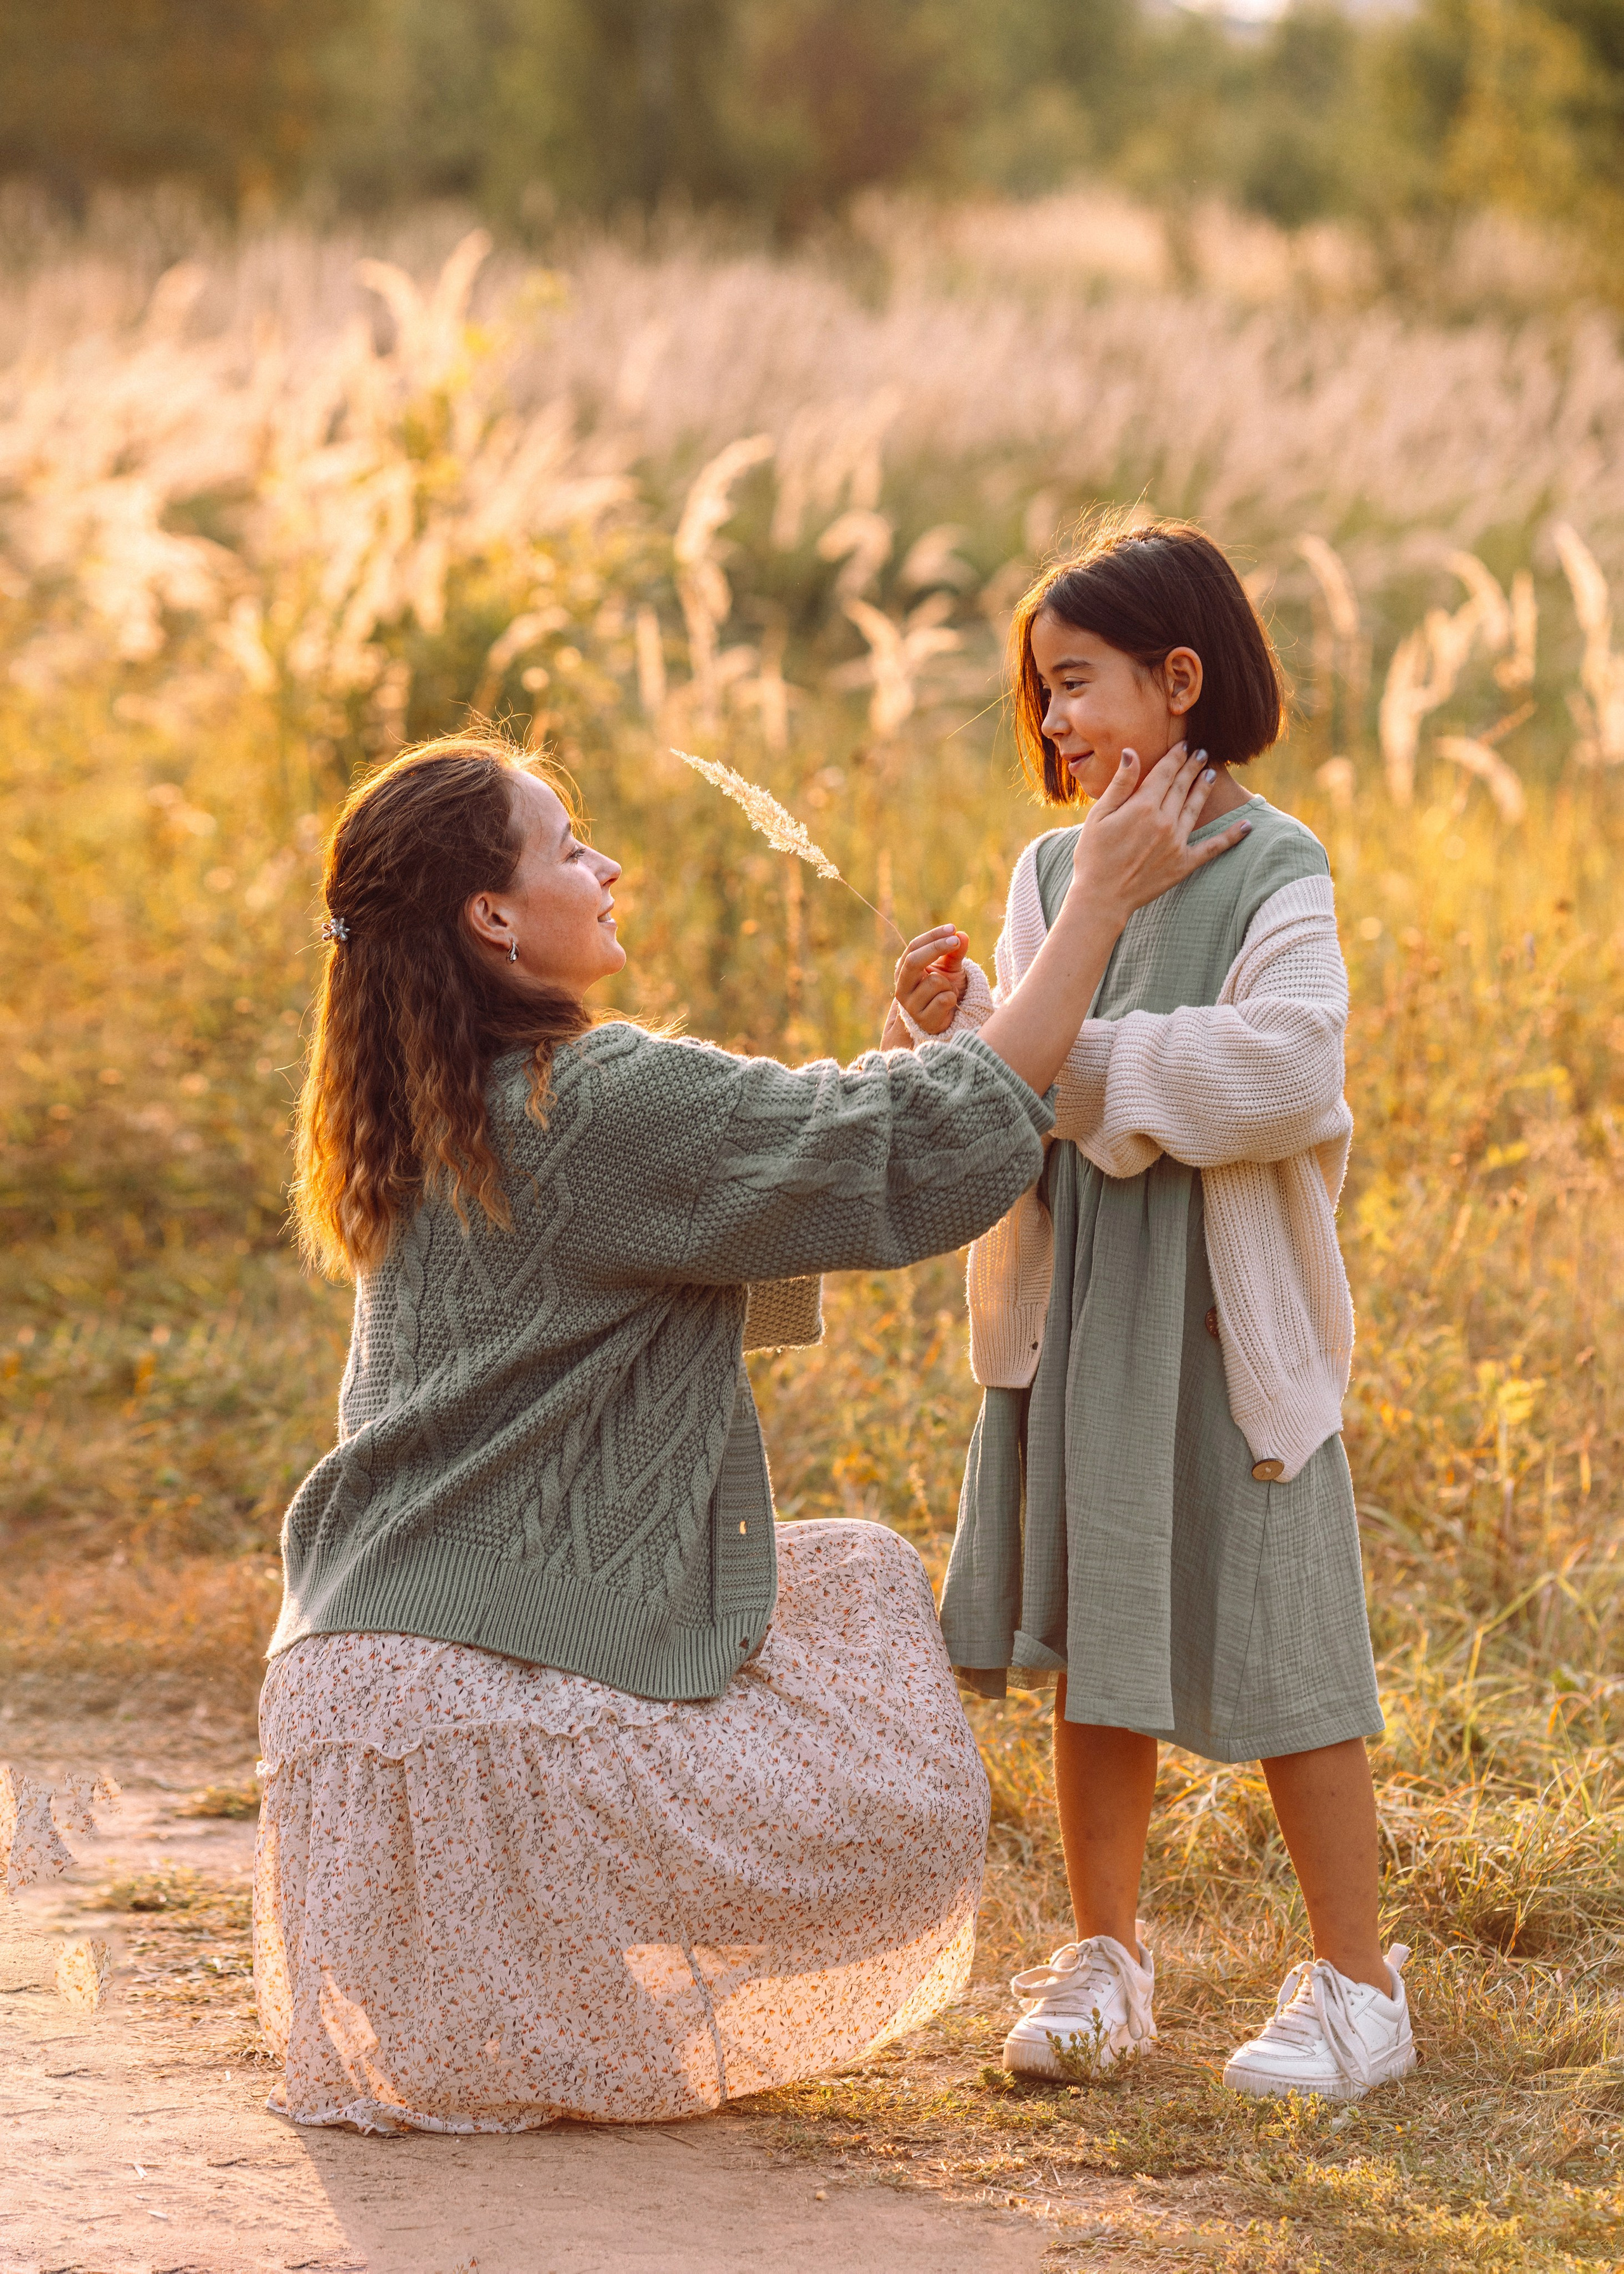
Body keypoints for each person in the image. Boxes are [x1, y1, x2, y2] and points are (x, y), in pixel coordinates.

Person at [253, 726, 1241, 2134]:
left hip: (346, 1745)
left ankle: (538, 1958)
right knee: (882, 1665)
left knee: (825, 1578)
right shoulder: (592, 1094)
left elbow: (780, 1170)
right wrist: (1095, 902)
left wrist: (903, 1061)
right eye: (568, 848)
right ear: (492, 918)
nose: (607, 866)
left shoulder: (421, 1107)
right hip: (476, 1752)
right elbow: (900, 1148)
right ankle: (548, 1928)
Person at [885, 516, 1417, 2105]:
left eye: (1075, 683)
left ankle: (1358, 1983)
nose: (1050, 721)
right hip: (1081, 1315)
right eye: (1040, 692)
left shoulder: (1273, 864)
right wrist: (950, 1035)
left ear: (1178, 680)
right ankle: (1104, 1958)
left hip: (1222, 1328)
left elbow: (1284, 1071)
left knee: (1287, 1641)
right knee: (1092, 1636)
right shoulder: (1053, 872)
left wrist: (1057, 1065)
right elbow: (1003, 1092)